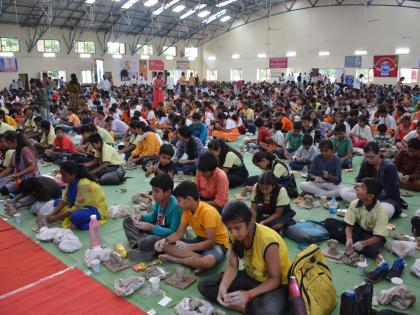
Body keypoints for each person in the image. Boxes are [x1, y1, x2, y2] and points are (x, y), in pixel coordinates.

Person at [198, 201, 290, 315]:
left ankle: (246, 300)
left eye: (237, 228)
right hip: (251, 276)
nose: (234, 233)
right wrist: (223, 287)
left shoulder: (268, 241)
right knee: (204, 285)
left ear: (250, 220)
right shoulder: (234, 235)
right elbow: (232, 265)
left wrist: (248, 294)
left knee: (268, 312)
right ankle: (249, 303)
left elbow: (275, 279)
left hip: (274, 284)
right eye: (229, 229)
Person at [154, 181, 229, 274]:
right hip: (200, 240)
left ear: (188, 199)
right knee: (164, 246)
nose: (177, 203)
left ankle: (176, 259)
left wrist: (189, 247)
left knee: (207, 261)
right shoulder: (187, 210)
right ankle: (196, 261)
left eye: (179, 200)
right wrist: (165, 240)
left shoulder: (207, 212)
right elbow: (179, 233)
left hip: (217, 245)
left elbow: (211, 242)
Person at [123, 174, 182, 260]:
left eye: (157, 191)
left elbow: (174, 232)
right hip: (155, 231)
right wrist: (142, 217)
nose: (153, 194)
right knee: (128, 220)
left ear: (168, 192)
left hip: (166, 238)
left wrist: (152, 228)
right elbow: (153, 217)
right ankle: (139, 246)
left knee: (147, 241)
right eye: (153, 190)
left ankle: (145, 248)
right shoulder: (159, 200)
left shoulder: (175, 206)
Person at [325, 177, 388, 259]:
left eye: (362, 188)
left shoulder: (381, 212)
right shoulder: (354, 203)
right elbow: (349, 226)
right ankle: (352, 243)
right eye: (359, 186)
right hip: (356, 230)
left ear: (370, 196)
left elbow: (378, 237)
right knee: (328, 222)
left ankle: (355, 244)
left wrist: (363, 244)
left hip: (370, 236)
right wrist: (349, 239)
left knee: (373, 250)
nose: (358, 189)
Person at [339, 142, 401, 218]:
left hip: (386, 200)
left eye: (372, 157)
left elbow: (389, 192)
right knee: (343, 192)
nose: (368, 160)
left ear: (378, 154)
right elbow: (359, 180)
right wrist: (358, 187)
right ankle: (365, 210)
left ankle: (362, 210)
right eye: (366, 157)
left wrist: (369, 197)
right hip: (366, 197)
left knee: (386, 211)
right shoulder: (366, 163)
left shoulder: (389, 167)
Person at [46, 160, 108, 229]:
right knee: (57, 202)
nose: (62, 178)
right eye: (62, 175)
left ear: (73, 174)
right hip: (81, 205)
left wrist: (55, 217)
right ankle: (77, 221)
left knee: (75, 217)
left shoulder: (84, 184)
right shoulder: (70, 181)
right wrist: (51, 214)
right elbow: (65, 199)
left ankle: (80, 222)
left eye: (64, 176)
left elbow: (76, 207)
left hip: (95, 209)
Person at [0, 131, 40, 195]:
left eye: (8, 143)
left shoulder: (25, 149)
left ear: (14, 141)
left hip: (29, 177)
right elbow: (10, 167)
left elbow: (32, 167)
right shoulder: (15, 152)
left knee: (4, 190)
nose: (6, 145)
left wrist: (17, 175)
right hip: (19, 176)